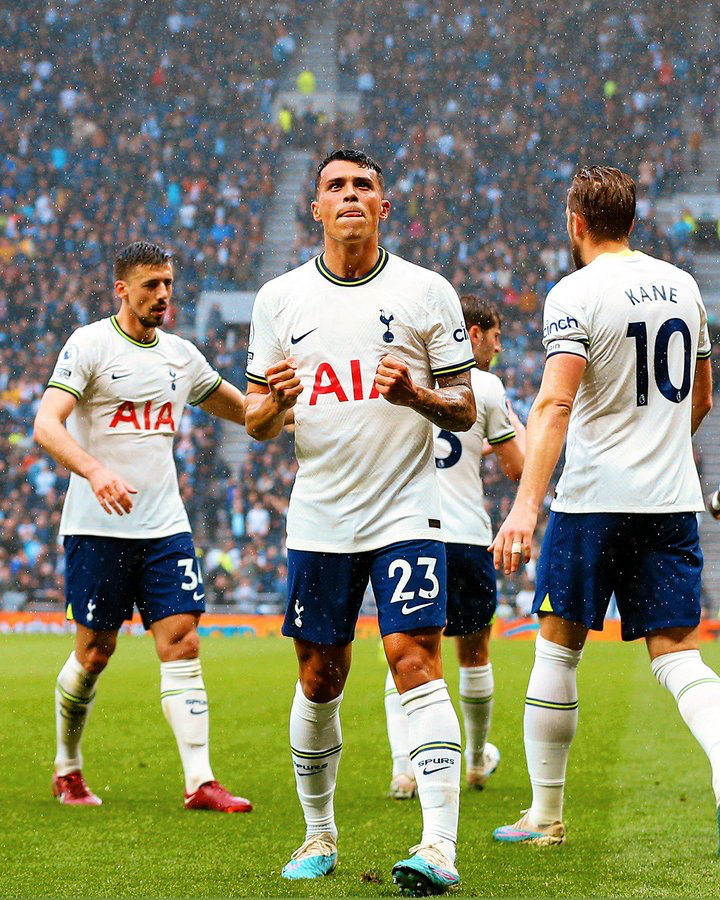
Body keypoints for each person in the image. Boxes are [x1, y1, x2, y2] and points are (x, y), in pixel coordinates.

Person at [245, 148, 476, 894]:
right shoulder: (279, 298)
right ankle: (319, 834)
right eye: (335, 186)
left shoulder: (426, 291)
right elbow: (256, 419)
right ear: (314, 208)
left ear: (384, 207)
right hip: (319, 517)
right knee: (320, 675)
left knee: (413, 658)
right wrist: (275, 403)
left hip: (407, 508)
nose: (349, 195)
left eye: (363, 186)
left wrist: (417, 396)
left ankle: (439, 847)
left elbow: (465, 406)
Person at [489, 166, 720, 850]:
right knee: (680, 658)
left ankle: (545, 816)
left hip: (592, 503)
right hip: (670, 500)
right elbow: (703, 395)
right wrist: (658, 454)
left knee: (558, 650)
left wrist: (525, 509)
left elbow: (556, 402)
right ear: (633, 218)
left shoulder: (575, 293)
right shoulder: (683, 286)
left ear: (576, 223)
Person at [34, 241, 252, 813]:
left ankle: (200, 781)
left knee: (182, 642)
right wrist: (95, 468)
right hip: (97, 527)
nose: (162, 296)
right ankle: (68, 765)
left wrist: (282, 404)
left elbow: (248, 413)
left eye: (168, 285)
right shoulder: (90, 344)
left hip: (164, 527)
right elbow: (46, 425)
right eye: (151, 285)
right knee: (95, 653)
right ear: (122, 290)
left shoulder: (181, 356)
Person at [383, 297, 525, 800]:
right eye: (494, 336)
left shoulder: (399, 382)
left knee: (405, 651)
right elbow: (518, 467)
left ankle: (404, 768)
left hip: (409, 531)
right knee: (474, 651)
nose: (499, 347)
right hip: (465, 535)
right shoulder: (483, 388)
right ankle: (477, 758)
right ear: (471, 333)